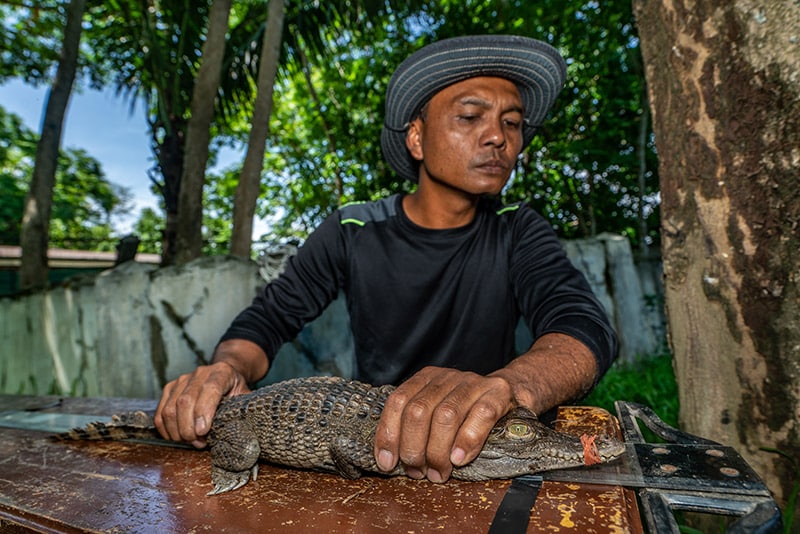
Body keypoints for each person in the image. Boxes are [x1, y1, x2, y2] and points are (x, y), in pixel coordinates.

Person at [155, 34, 618, 483]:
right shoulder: (351, 229)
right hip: (370, 456)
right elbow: (268, 319)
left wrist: (505, 392)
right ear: (416, 139)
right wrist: (226, 369)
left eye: (513, 123)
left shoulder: (518, 227)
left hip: (485, 455)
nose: (497, 136)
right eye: (471, 116)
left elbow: (581, 326)